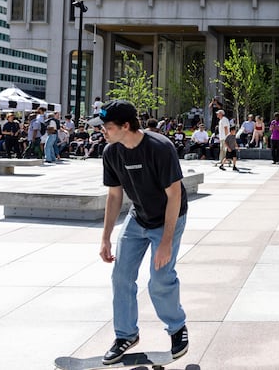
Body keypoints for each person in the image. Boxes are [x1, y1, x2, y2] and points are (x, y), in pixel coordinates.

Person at [89, 100, 189, 365]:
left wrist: (166, 241)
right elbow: (114, 195)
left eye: (107, 127)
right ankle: (126, 335)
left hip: (168, 217)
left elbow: (174, 195)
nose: (103, 132)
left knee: (160, 278)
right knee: (121, 277)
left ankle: (177, 328)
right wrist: (105, 237)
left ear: (125, 125)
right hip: (138, 218)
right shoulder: (111, 153)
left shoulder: (160, 148)